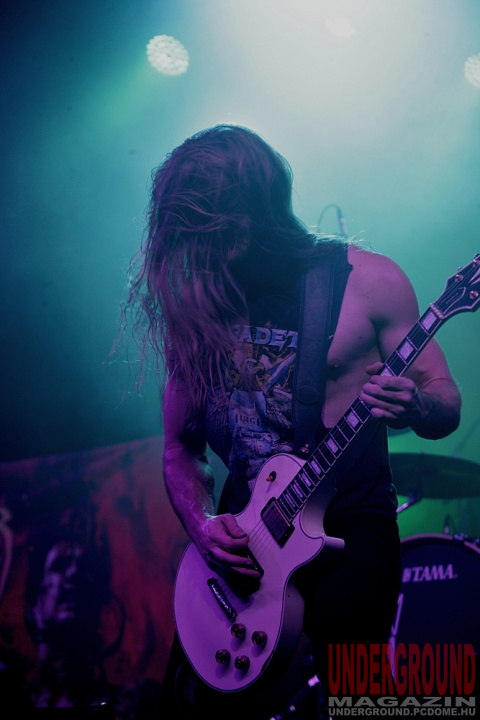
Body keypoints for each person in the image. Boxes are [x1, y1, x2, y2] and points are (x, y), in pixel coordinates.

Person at [125, 124, 461, 718]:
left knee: (360, 699)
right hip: (242, 539)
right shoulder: (201, 300)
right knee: (187, 708)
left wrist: (418, 406)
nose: (205, 252)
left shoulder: (369, 282)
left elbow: (443, 398)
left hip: (349, 525)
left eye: (216, 232)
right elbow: (180, 449)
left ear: (258, 211)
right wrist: (204, 525)